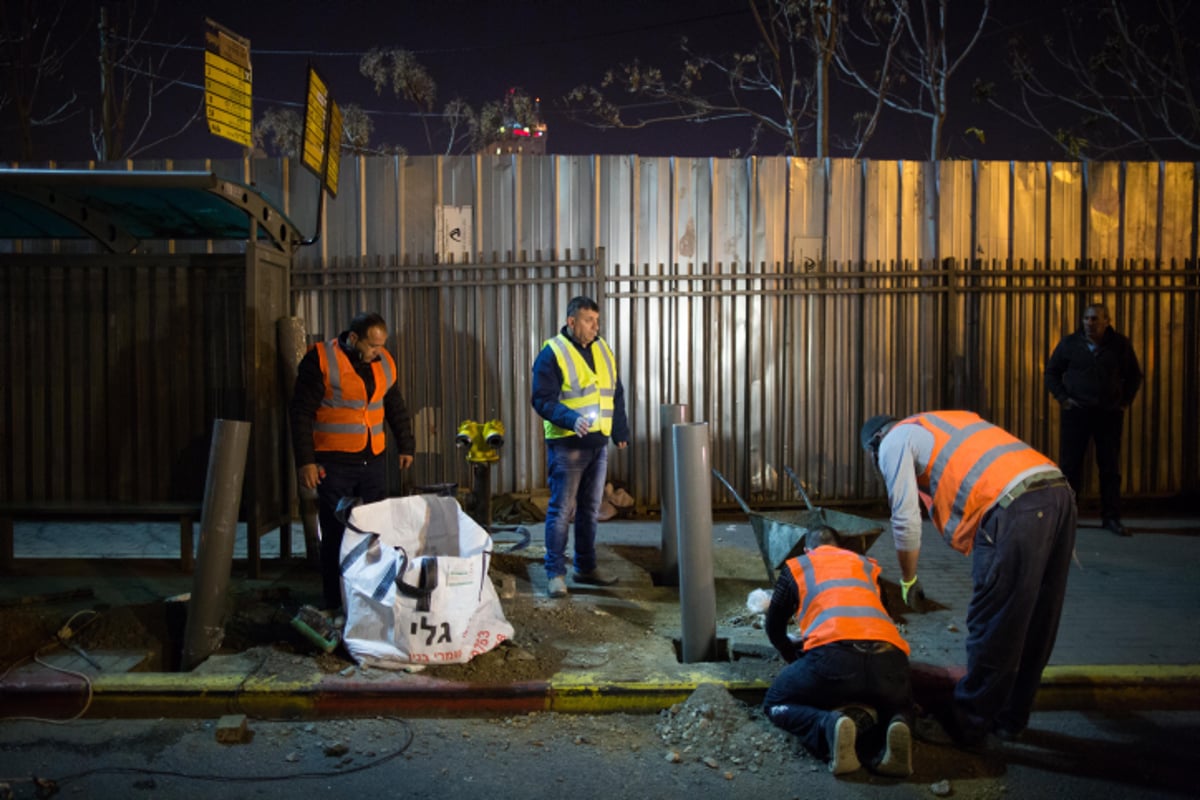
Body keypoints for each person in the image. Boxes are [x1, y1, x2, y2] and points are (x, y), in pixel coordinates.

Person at [860, 411, 1076, 748]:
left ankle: (966, 725)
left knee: (992, 621)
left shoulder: (893, 442)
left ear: (875, 444)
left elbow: (905, 519)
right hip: (1057, 493)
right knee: (1037, 619)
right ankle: (1011, 720)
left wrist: (907, 579)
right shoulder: (945, 421)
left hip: (1014, 508)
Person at [290, 311, 416, 620]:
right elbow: (301, 413)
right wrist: (306, 461)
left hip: (372, 457)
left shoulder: (383, 361)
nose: (378, 352)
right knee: (335, 533)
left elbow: (393, 404)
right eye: (372, 346)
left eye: (382, 345)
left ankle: (372, 596)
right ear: (354, 338)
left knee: (377, 530)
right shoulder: (320, 360)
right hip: (334, 462)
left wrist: (406, 444)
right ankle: (335, 601)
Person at [762, 526, 914, 777]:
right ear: (840, 548)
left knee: (776, 700)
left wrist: (793, 658)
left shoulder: (799, 566)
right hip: (890, 659)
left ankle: (828, 726)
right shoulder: (866, 566)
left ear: (807, 550)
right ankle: (898, 722)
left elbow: (774, 627)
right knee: (903, 702)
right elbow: (881, 611)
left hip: (835, 661)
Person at [531, 295, 630, 598]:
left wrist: (620, 430)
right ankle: (555, 573)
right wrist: (571, 419)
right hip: (567, 445)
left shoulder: (602, 348)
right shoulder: (552, 353)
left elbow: (615, 390)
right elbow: (542, 400)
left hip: (598, 444)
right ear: (571, 322)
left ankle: (585, 567)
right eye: (589, 321)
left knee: (589, 509)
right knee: (562, 510)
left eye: (597, 321)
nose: (595, 327)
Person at [1044, 303, 1143, 537]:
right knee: (1070, 467)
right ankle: (1068, 518)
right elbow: (1051, 372)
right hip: (1076, 412)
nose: (1090, 323)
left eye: (1095, 319)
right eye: (1087, 318)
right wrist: (1063, 399)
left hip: (1107, 414)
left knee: (1109, 467)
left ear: (1107, 321)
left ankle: (1111, 518)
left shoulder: (1120, 345)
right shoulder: (1070, 343)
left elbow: (1134, 376)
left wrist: (1122, 403)